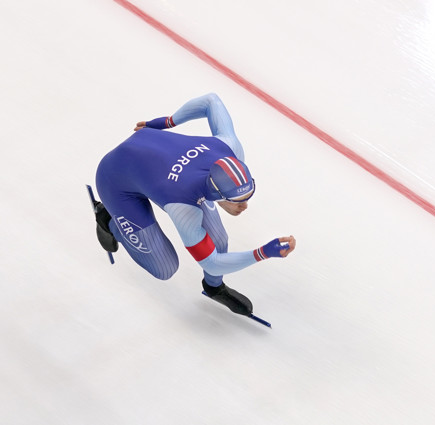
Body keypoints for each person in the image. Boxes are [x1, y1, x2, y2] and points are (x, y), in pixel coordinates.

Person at [92, 93, 296, 317]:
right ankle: (109, 221)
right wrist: (262, 253)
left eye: (246, 197)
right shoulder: (184, 207)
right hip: (115, 179)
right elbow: (212, 263)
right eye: (235, 201)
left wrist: (167, 122)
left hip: (152, 154)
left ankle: (213, 287)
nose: (243, 206)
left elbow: (211, 101)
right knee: (164, 268)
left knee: (219, 240)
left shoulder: (229, 147)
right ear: (214, 191)